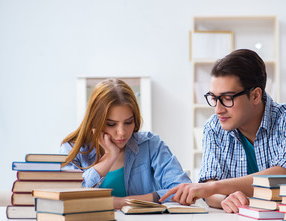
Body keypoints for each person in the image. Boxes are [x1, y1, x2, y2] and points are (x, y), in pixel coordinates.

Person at [160, 49, 286, 213]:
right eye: (214, 98)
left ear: (255, 96)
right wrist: (225, 199)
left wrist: (214, 187)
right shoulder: (214, 127)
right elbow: (210, 192)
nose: (218, 109)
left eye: (227, 99)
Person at [60, 79, 191, 209]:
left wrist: (123, 202)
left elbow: (183, 189)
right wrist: (109, 158)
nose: (122, 133)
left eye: (128, 122)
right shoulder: (71, 149)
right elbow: (64, 197)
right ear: (95, 121)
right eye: (111, 124)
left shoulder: (151, 145)